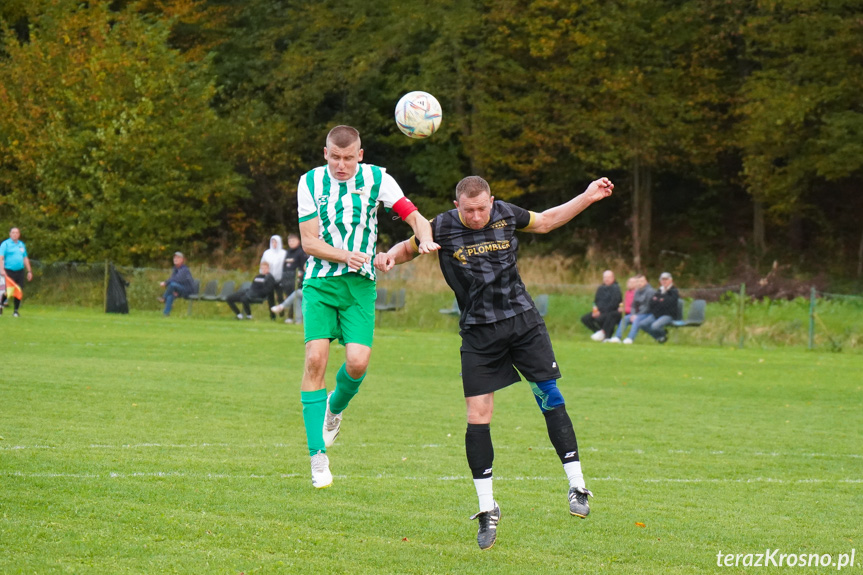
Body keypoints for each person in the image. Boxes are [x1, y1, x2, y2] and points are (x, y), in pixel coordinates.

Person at [375, 174, 614, 550]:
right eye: (468, 210)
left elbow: (548, 221)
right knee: (477, 414)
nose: (476, 215)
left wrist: (586, 196)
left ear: (492, 201)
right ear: (457, 207)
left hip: (523, 322)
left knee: (548, 395)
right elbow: (408, 247)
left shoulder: (506, 214)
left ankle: (577, 485)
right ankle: (488, 509)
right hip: (478, 332)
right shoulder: (441, 225)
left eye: (482, 208)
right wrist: (388, 256)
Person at [296, 125, 438, 490]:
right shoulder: (309, 183)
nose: (341, 165)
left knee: (357, 363)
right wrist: (350, 256)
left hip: (360, 288)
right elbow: (310, 243)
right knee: (315, 360)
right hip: (320, 283)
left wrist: (424, 238)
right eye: (334, 157)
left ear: (360, 154)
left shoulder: (379, 179)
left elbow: (413, 214)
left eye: (348, 158)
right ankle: (317, 457)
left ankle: (335, 409)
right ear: (325, 153)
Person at [0, 227, 33, 317]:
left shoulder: (21, 245)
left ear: (19, 234)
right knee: (8, 291)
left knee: (18, 290)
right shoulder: (5, 244)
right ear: (10, 234)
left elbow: (25, 258)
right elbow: (1, 257)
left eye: (17, 232)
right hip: (9, 270)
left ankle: (15, 311)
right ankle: (1, 304)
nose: (15, 234)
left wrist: (29, 271)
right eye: (13, 232)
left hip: (20, 271)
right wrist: (2, 269)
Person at [580, 270, 622, 342]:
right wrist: (595, 310)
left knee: (605, 317)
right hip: (599, 311)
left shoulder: (616, 289)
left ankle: (606, 336)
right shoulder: (601, 288)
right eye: (605, 277)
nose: (606, 279)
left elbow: (614, 303)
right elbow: (595, 302)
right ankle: (599, 332)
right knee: (585, 318)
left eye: (609, 277)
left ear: (613, 278)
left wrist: (601, 311)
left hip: (610, 311)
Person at [639, 272, 681, 344]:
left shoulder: (674, 291)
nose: (664, 281)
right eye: (662, 280)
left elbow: (668, 303)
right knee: (642, 324)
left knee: (654, 326)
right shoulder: (659, 290)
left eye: (666, 279)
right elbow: (652, 302)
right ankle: (661, 337)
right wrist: (660, 300)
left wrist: (659, 300)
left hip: (668, 315)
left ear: (670, 280)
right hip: (656, 314)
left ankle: (662, 335)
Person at [619, 274, 656, 344]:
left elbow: (647, 307)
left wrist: (636, 315)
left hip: (647, 314)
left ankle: (630, 338)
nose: (640, 283)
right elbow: (633, 305)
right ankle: (617, 337)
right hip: (637, 314)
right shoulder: (637, 291)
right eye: (638, 281)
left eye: (642, 281)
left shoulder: (650, 291)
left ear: (646, 282)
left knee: (637, 319)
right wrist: (633, 314)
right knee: (625, 318)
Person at [158, 252, 196, 316]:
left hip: (188, 291)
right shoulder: (175, 269)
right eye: (174, 257)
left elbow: (176, 279)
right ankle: (166, 314)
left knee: (172, 284)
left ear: (182, 260)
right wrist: (174, 289)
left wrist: (165, 283)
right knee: (171, 295)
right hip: (180, 289)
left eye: (178, 258)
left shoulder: (184, 269)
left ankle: (164, 298)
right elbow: (173, 279)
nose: (175, 259)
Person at [280, 233, 306, 323]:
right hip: (287, 277)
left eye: (293, 240)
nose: (291, 243)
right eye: (289, 241)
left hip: (296, 279)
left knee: (294, 295)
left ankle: (291, 316)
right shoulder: (288, 252)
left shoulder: (301, 252)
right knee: (288, 295)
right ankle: (290, 317)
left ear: (298, 241)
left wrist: (300, 274)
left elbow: (303, 266)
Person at [261, 235, 288, 320]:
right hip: (269, 279)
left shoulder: (283, 253)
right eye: (272, 242)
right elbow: (263, 264)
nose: (274, 244)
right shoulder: (267, 253)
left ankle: (281, 313)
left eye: (276, 242)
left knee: (280, 297)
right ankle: (272, 316)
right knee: (270, 297)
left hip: (279, 279)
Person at [606, 276, 637, 343]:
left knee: (621, 317)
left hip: (633, 313)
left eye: (632, 282)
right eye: (629, 282)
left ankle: (617, 336)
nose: (629, 284)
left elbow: (635, 307)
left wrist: (624, 309)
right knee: (611, 315)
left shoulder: (637, 293)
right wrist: (621, 307)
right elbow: (624, 303)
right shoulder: (627, 292)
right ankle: (607, 335)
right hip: (625, 312)